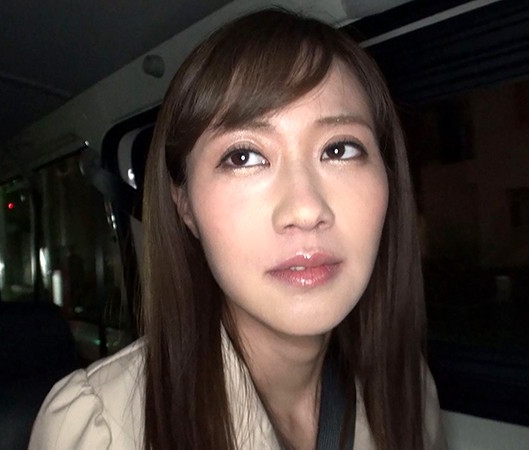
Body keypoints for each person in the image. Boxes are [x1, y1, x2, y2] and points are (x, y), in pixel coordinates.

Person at [29, 9, 444, 450]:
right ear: (185, 204)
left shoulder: (409, 393)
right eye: (244, 157)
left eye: (339, 149)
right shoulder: (102, 431)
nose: (306, 210)